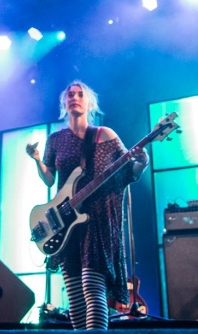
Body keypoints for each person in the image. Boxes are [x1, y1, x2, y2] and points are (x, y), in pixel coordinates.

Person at [26, 80, 148, 330]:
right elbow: (50, 179)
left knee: (93, 289)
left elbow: (128, 171)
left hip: (98, 219)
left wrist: (141, 162)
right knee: (75, 299)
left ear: (89, 102)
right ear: (64, 103)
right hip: (66, 222)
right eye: (70, 94)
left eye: (80, 94)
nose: (75, 97)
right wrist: (37, 160)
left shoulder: (106, 135)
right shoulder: (56, 140)